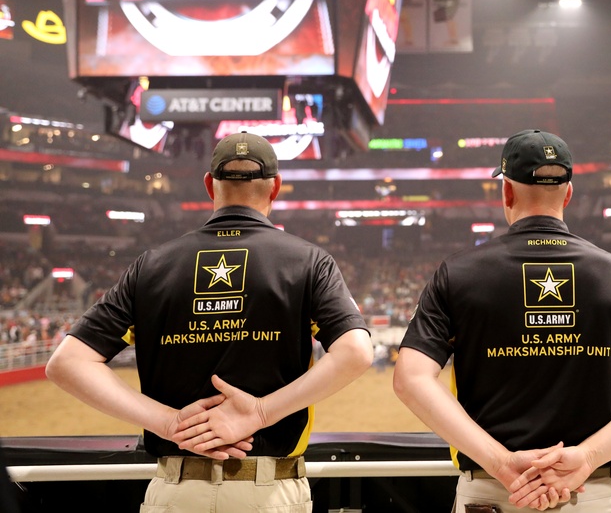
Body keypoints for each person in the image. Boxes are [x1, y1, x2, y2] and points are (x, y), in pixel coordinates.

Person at [46, 132, 373, 512]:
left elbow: (66, 363)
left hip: (176, 488)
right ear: (276, 188)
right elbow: (355, 352)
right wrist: (261, 412)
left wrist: (170, 424)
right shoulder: (309, 261)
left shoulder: (151, 266)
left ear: (209, 185)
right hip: (267, 491)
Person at [393, 129, 611, 512]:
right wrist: (586, 457)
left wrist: (501, 463)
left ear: (506, 191)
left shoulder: (457, 274)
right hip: (590, 493)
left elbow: (410, 378)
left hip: (492, 492)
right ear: (568, 193)